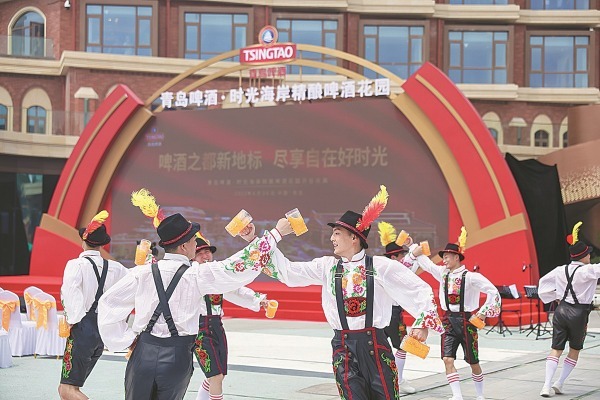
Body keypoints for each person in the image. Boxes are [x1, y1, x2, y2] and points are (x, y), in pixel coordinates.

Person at [261, 185, 444, 400]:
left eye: (337, 233)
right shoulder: (327, 267)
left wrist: (422, 323)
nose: (332, 238)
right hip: (343, 348)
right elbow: (288, 272)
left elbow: (419, 289)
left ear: (354, 238)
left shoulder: (381, 266)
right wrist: (273, 237)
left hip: (376, 347)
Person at [97, 212, 292, 400]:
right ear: (183, 246)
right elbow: (241, 265)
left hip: (143, 352)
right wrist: (276, 234)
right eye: (192, 240)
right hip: (177, 356)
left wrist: (126, 341)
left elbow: (108, 303)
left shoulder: (142, 273)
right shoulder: (197, 274)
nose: (195, 244)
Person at [412, 227, 500, 400]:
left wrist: (483, 313)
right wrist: (412, 247)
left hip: (467, 321)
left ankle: (480, 395)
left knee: (473, 362)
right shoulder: (442, 274)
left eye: (447, 256)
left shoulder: (471, 276)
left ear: (456, 257)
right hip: (448, 321)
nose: (444, 260)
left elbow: (493, 291)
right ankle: (457, 396)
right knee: (447, 359)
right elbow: (428, 265)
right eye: (443, 256)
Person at [59, 211, 128, 400]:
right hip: (102, 329)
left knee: (67, 389)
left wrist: (72, 321)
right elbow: (132, 286)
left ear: (84, 240)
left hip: (83, 327)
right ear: (102, 244)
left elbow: (70, 293)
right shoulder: (116, 268)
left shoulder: (76, 265)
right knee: (70, 388)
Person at [192, 233, 270, 400]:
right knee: (215, 376)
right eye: (200, 253)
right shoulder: (191, 274)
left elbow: (235, 289)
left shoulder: (215, 274)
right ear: (192, 256)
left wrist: (258, 299)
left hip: (217, 326)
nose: (205, 256)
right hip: (200, 328)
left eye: (207, 252)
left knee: (218, 375)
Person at [538, 222, 600, 397]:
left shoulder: (560, 270)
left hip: (561, 310)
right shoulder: (588, 271)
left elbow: (542, 285)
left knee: (556, 348)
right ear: (583, 256)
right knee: (574, 349)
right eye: (588, 254)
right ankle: (559, 382)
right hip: (579, 313)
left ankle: (546, 386)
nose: (590, 256)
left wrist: (556, 297)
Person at [378, 221, 417, 394]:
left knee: (378, 348)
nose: (403, 258)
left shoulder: (380, 268)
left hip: (379, 313)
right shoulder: (397, 270)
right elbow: (415, 259)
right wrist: (412, 246)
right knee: (402, 346)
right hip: (392, 313)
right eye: (401, 255)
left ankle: (385, 380)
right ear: (393, 258)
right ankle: (398, 380)